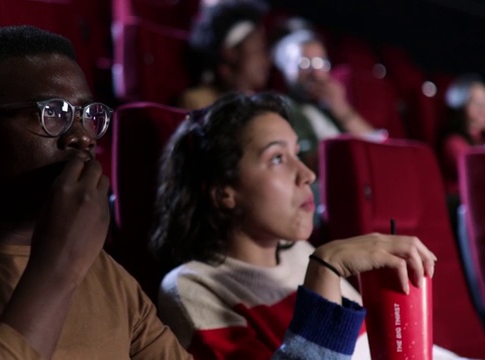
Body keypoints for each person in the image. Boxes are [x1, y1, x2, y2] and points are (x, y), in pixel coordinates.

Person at [0, 25, 410, 359]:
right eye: (52, 114)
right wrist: (57, 270)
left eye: (90, 114)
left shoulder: (110, 280)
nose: (81, 137)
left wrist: (325, 271)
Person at [151, 92, 458, 359]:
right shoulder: (191, 287)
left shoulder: (297, 252)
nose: (308, 174)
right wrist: (326, 268)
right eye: (277, 159)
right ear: (224, 192)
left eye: (297, 154)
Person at [272, 30, 378, 171]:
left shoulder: (329, 107)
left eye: (320, 62)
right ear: (286, 70)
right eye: (304, 64)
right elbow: (310, 164)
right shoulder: (285, 108)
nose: (315, 72)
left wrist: (341, 109)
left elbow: (377, 144)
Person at [179, 0, 271, 110]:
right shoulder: (199, 102)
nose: (266, 61)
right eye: (258, 51)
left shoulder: (260, 106)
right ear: (230, 53)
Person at [438, 74, 485, 194]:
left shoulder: (480, 138)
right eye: (477, 104)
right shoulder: (454, 142)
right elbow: (475, 176)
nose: (483, 110)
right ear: (460, 106)